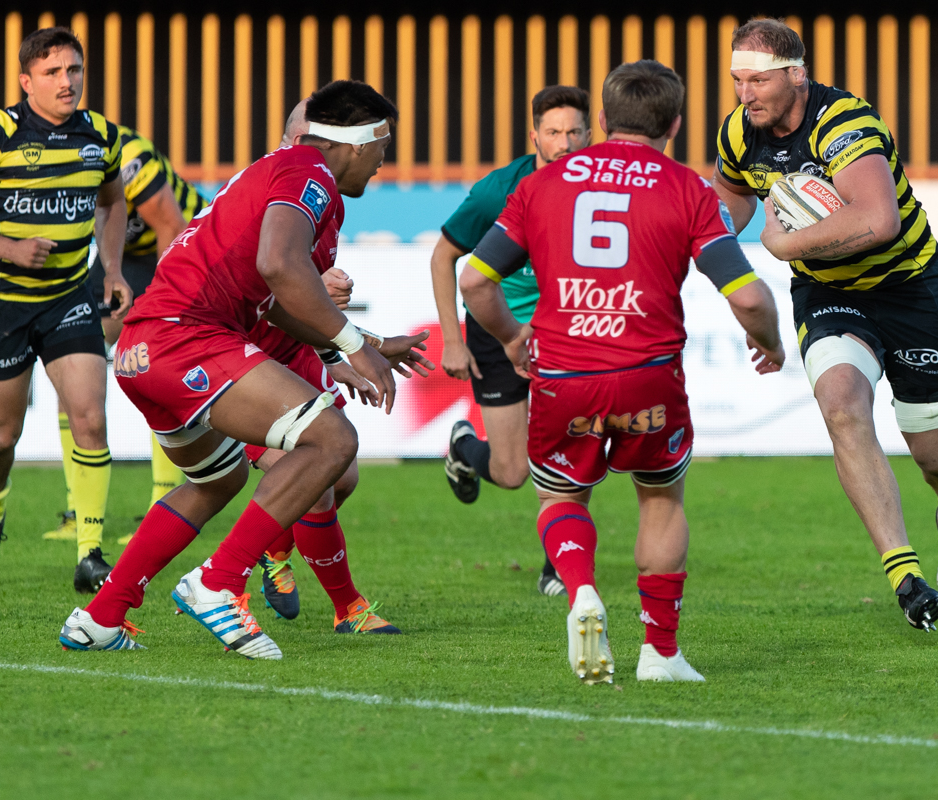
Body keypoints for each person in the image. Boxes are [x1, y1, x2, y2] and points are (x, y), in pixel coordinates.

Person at [58, 80, 429, 658]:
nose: (383, 166)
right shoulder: (312, 174)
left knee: (217, 480)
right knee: (333, 442)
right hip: (188, 339)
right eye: (384, 148)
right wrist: (353, 343)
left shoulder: (285, 170)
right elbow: (279, 265)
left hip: (144, 347)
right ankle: (219, 582)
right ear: (358, 142)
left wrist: (361, 346)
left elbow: (273, 300)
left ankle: (102, 616)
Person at [460, 60, 785, 684]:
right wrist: (766, 341)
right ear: (675, 125)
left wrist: (510, 336)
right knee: (660, 500)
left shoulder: (542, 185)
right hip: (647, 374)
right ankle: (660, 655)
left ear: (603, 121)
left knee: (560, 494)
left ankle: (581, 590)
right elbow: (748, 297)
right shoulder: (688, 188)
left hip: (564, 373)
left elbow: (474, 279)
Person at [711, 17, 938, 631]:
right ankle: (906, 577)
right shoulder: (738, 133)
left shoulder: (844, 122)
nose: (745, 94)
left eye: (758, 81)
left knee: (937, 458)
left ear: (797, 75)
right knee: (843, 407)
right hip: (829, 293)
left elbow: (877, 219)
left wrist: (782, 244)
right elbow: (732, 196)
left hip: (909, 289)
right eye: (736, 81)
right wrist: (709, 234)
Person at [0, 27, 131, 593]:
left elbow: (114, 201)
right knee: (3, 434)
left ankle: (91, 552)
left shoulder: (102, 137)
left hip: (68, 298)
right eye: (52, 72)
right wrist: (11, 248)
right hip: (5, 304)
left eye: (74, 70)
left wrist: (112, 268)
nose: (67, 82)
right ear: (26, 81)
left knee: (89, 416)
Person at [245, 100, 428, 634]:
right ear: (294, 139)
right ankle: (348, 608)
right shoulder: (271, 188)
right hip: (245, 357)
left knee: (339, 475)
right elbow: (265, 283)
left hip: (296, 354)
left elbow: (303, 297)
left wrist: (360, 341)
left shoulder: (322, 198)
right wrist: (315, 295)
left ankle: (271, 552)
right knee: (316, 477)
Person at [432, 86, 592, 597]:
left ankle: (558, 566)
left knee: (573, 449)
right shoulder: (497, 190)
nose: (564, 142)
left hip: (565, 332)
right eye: (553, 132)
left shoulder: (604, 185)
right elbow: (443, 257)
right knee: (512, 471)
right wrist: (453, 342)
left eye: (573, 132)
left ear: (590, 135)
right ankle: (463, 448)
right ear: (534, 137)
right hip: (494, 329)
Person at [45, 125, 207, 545]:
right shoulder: (46, 162)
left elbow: (170, 223)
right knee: (74, 366)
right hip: (124, 255)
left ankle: (164, 503)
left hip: (186, 245)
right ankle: (77, 508)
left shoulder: (128, 158)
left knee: (152, 359)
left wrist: (162, 306)